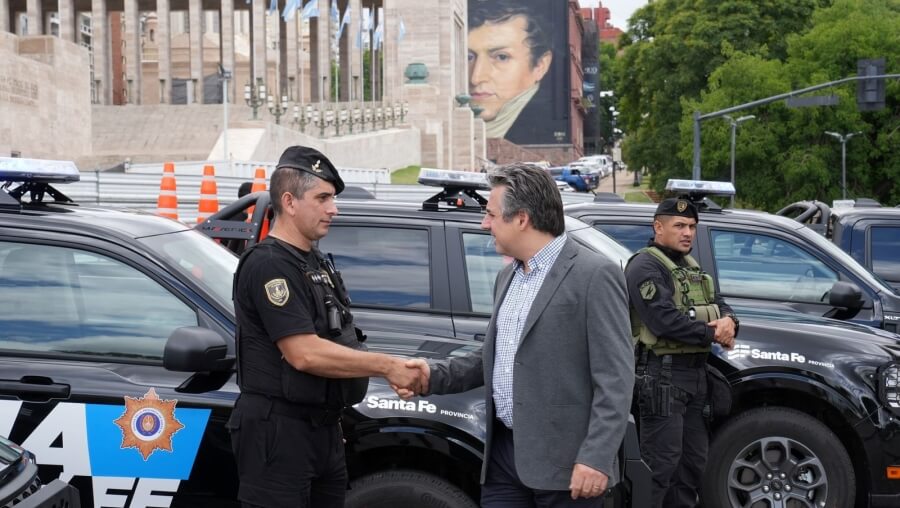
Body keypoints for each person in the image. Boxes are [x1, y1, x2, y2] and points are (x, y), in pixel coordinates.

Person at [399, 163, 634, 507]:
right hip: (504, 461)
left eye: (491, 215)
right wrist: (432, 376)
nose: (484, 224)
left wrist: (596, 457)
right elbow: (496, 359)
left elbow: (616, 378)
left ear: (521, 219)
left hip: (568, 468)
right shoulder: (507, 278)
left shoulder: (595, 275)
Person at [227, 146, 425, 508]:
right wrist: (387, 366)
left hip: (322, 430)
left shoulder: (313, 260)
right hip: (280, 435)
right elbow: (303, 354)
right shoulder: (269, 264)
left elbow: (341, 337)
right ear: (289, 201)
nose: (333, 209)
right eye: (322, 198)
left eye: (332, 198)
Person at [624, 198, 738, 508]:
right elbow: (662, 320)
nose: (687, 232)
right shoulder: (644, 265)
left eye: (691, 227)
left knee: (691, 467)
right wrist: (713, 332)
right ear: (658, 227)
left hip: (695, 377)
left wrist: (730, 322)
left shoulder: (690, 266)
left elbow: (720, 302)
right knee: (660, 466)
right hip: (663, 378)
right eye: (680, 226)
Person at [468, 0, 554, 142]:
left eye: (501, 57)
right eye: (468, 57)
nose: (476, 77)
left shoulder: (544, 128)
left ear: (540, 65)